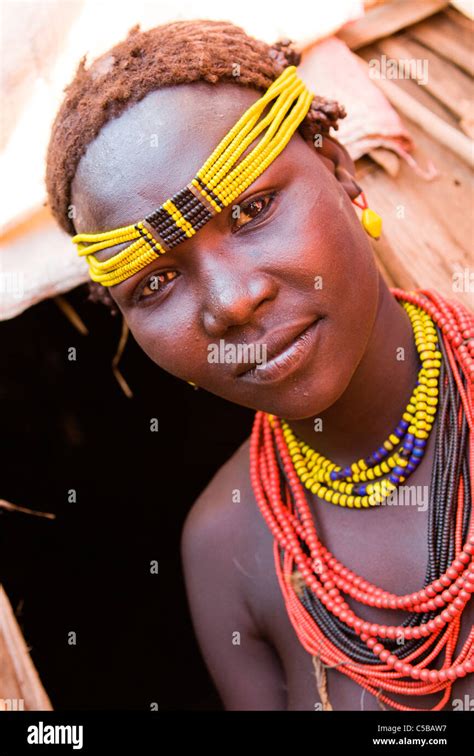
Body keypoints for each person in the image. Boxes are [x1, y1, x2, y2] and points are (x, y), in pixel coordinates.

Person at [45, 19, 473, 711]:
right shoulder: (225, 549)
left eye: (251, 209)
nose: (233, 303)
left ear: (337, 167)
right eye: (154, 284)